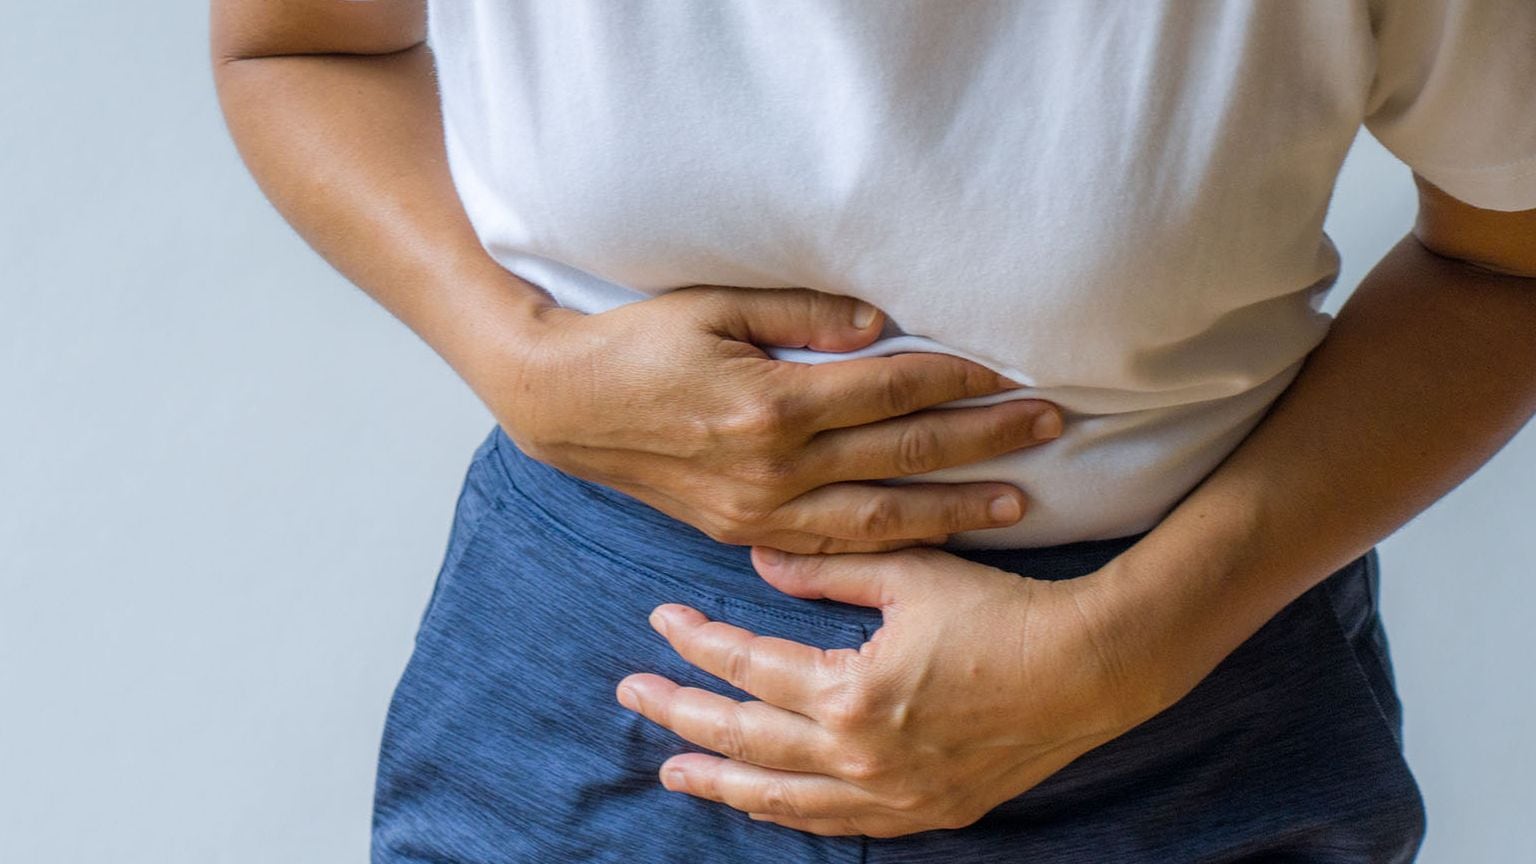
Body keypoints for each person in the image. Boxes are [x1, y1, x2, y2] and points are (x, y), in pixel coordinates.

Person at [210, 1, 1536, 861]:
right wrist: (516, 355)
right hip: (595, 678)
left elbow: (1508, 260)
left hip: (1179, 723)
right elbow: (297, 41)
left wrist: (1132, 644)